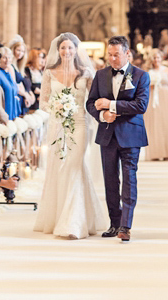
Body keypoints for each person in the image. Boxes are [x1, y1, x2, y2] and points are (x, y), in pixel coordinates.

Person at [34, 32, 106, 239]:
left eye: (70, 48)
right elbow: (44, 101)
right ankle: (59, 216)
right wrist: (57, 108)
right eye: (63, 48)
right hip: (57, 125)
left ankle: (74, 222)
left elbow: (93, 100)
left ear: (76, 50)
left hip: (80, 123)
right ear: (58, 50)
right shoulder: (49, 73)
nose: (66, 51)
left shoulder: (85, 73)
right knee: (60, 167)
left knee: (74, 165)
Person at [86, 35, 149, 242]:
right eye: (110, 55)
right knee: (110, 180)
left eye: (116, 55)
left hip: (131, 134)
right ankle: (114, 222)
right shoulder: (100, 75)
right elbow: (91, 103)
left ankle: (125, 225)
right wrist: (102, 115)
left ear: (127, 53)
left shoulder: (141, 76)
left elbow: (141, 106)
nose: (112, 59)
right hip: (107, 134)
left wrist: (111, 105)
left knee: (129, 179)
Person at [144, 49, 168, 161]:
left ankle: (167, 152)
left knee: (166, 123)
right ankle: (155, 152)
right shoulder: (147, 71)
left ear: (161, 58)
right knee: (154, 124)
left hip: (165, 97)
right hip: (152, 99)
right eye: (154, 58)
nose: (156, 60)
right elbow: (142, 87)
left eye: (158, 57)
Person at [23, 47, 45, 112]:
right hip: (32, 98)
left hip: (40, 99)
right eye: (39, 57)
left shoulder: (39, 70)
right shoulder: (27, 69)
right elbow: (28, 84)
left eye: (42, 57)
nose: (41, 59)